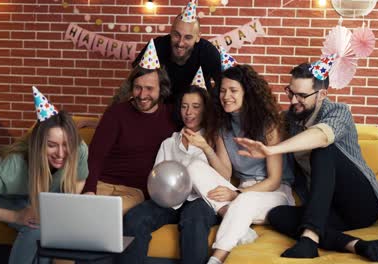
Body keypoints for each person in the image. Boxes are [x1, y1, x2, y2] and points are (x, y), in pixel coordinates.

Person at [235, 60, 378, 262]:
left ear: (322, 95)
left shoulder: (339, 112)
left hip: (361, 203)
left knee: (323, 149)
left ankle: (309, 240)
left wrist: (272, 150)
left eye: (302, 95)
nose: (294, 100)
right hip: (326, 209)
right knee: (277, 215)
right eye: (290, 93)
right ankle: (356, 245)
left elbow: (320, 136)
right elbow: (259, 120)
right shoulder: (290, 119)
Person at [0, 87, 89, 264]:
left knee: (47, 227)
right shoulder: (13, 165)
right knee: (37, 227)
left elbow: (80, 179)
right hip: (3, 197)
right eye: (51, 145)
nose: (61, 153)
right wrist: (17, 216)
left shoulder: (79, 150)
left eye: (66, 145)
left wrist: (63, 207)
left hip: (36, 198)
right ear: (38, 144)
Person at [185, 64, 295, 264]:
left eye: (233, 90)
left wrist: (237, 195)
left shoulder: (268, 124)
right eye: (223, 90)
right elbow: (225, 174)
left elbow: (274, 179)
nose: (226, 96)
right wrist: (205, 148)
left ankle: (216, 259)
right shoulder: (222, 126)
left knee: (244, 202)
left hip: (274, 194)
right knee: (193, 166)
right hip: (240, 190)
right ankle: (242, 227)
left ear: (248, 93)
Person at [118, 84, 219, 264]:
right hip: (168, 201)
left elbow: (222, 177)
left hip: (200, 201)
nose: (189, 112)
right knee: (135, 217)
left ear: (205, 110)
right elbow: (156, 179)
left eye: (196, 107)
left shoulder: (214, 141)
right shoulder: (168, 143)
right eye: (184, 106)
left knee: (194, 220)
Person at [82, 40, 177, 214]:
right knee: (62, 198)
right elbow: (96, 156)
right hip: (102, 183)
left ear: (161, 89)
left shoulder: (172, 116)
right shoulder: (115, 113)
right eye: (138, 88)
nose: (142, 95)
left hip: (133, 192)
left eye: (149, 88)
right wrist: (90, 189)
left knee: (107, 212)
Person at [129, 0, 221, 104]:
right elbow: (134, 78)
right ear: (171, 31)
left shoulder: (209, 52)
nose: (180, 43)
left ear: (198, 37)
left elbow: (222, 85)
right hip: (160, 108)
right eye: (176, 35)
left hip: (197, 110)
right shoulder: (156, 47)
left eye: (188, 37)